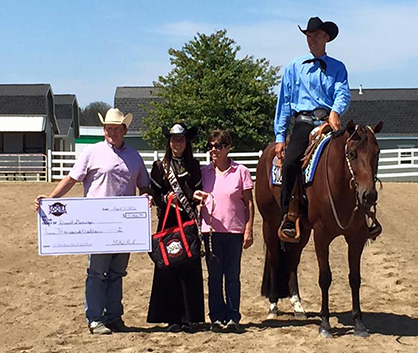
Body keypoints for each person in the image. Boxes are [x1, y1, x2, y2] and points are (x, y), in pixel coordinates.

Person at [35, 108, 150, 335]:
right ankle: (95, 318)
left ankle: (114, 316)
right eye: (108, 128)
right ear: (103, 129)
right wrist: (51, 199)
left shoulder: (135, 156)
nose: (112, 132)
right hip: (97, 226)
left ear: (124, 130)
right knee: (97, 272)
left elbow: (143, 185)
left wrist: (146, 198)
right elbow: (71, 178)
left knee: (117, 273)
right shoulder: (92, 152)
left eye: (116, 128)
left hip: (124, 225)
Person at [274, 17, 351, 239]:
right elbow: (284, 102)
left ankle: (363, 212)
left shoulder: (338, 67)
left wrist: (335, 112)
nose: (312, 39)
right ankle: (288, 214)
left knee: (356, 155)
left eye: (316, 34)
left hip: (329, 122)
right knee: (290, 162)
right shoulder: (294, 67)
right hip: (303, 123)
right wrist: (280, 136)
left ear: (326, 38)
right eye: (309, 35)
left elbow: (342, 93)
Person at [194, 130, 254, 332]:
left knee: (232, 276)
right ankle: (216, 317)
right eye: (210, 146)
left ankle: (233, 315)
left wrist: (249, 229)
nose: (213, 150)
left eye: (218, 146)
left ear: (228, 147)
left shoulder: (241, 172)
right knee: (214, 277)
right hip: (210, 231)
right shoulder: (204, 173)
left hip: (234, 231)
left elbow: (249, 203)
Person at [147, 123, 205, 333]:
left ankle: (189, 317)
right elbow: (155, 194)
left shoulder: (194, 165)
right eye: (173, 139)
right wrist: (165, 199)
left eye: (180, 139)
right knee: (169, 267)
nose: (177, 143)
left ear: (186, 142)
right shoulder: (159, 166)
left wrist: (190, 197)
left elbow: (198, 191)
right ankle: (171, 317)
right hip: (168, 222)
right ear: (168, 142)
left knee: (189, 266)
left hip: (188, 222)